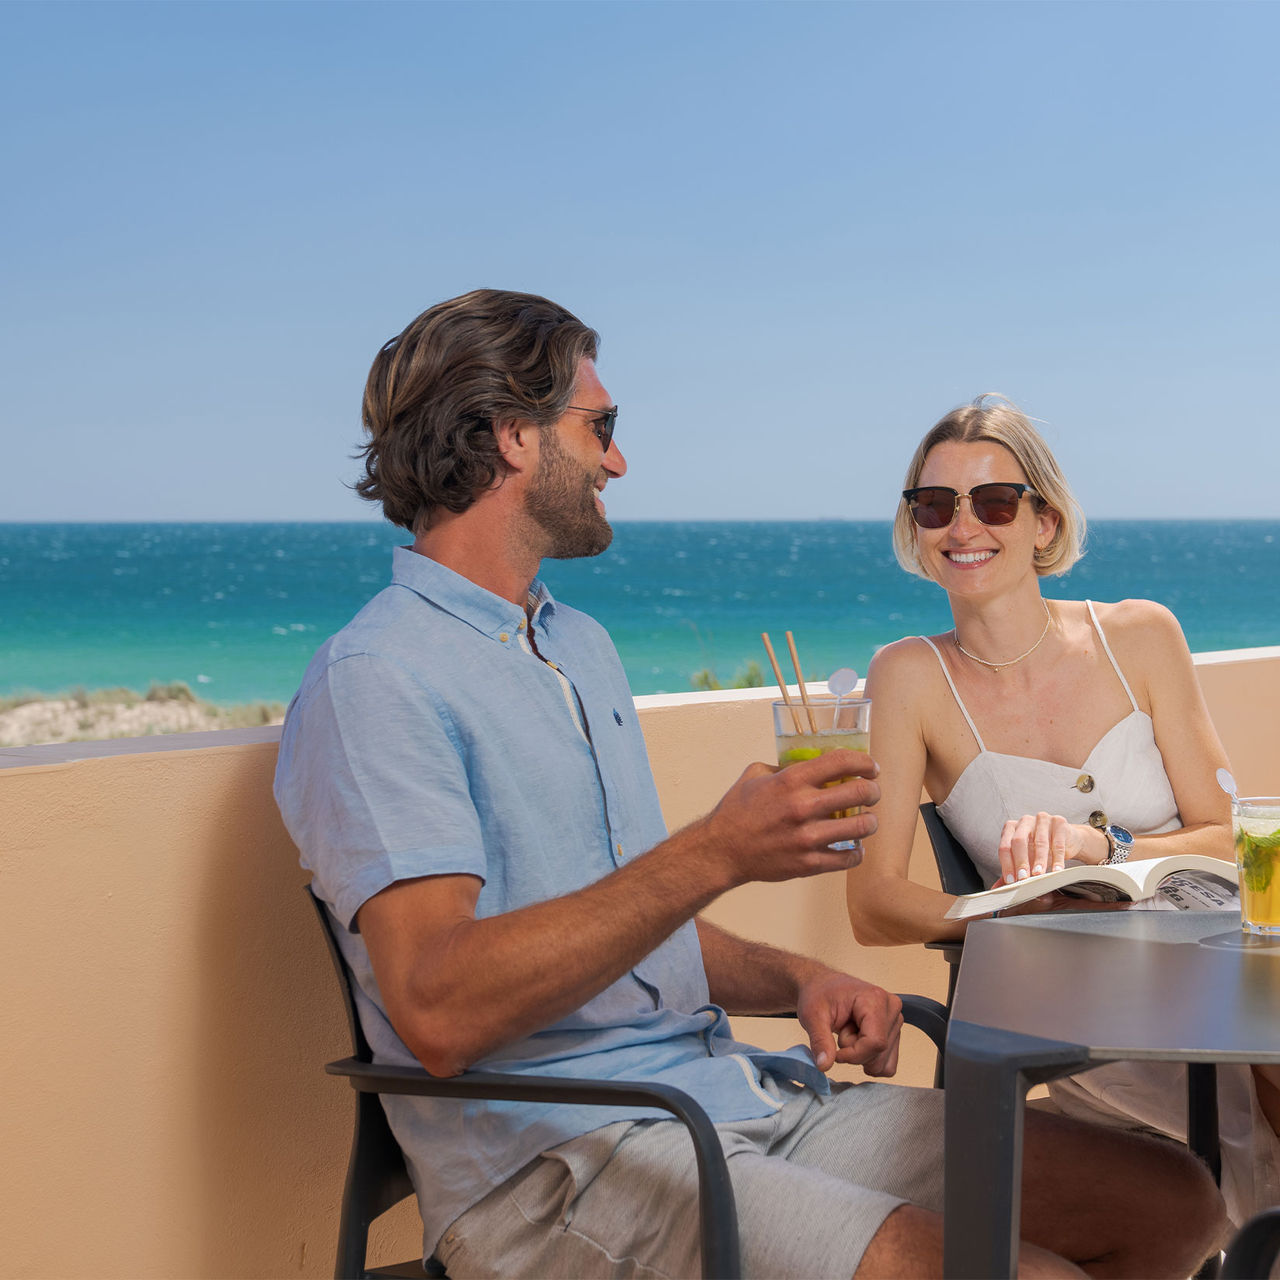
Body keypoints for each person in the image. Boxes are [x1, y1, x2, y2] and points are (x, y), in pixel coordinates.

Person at [275, 297, 1224, 1279]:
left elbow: (611, 921)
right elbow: (434, 1008)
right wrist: (714, 850)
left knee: (1166, 1201)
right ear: (513, 436)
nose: (616, 460)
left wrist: (795, 978)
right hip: (567, 1162)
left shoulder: (574, 647)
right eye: (598, 428)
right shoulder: (377, 679)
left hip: (730, 1095)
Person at [847, 393, 1280, 1225]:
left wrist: (1098, 848)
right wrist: (1011, 912)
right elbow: (873, 903)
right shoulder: (907, 676)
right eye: (935, 505)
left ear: (1043, 522)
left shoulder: (1142, 635)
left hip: (1221, 961)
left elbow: (1231, 838)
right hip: (1079, 1003)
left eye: (995, 501)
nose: (963, 526)